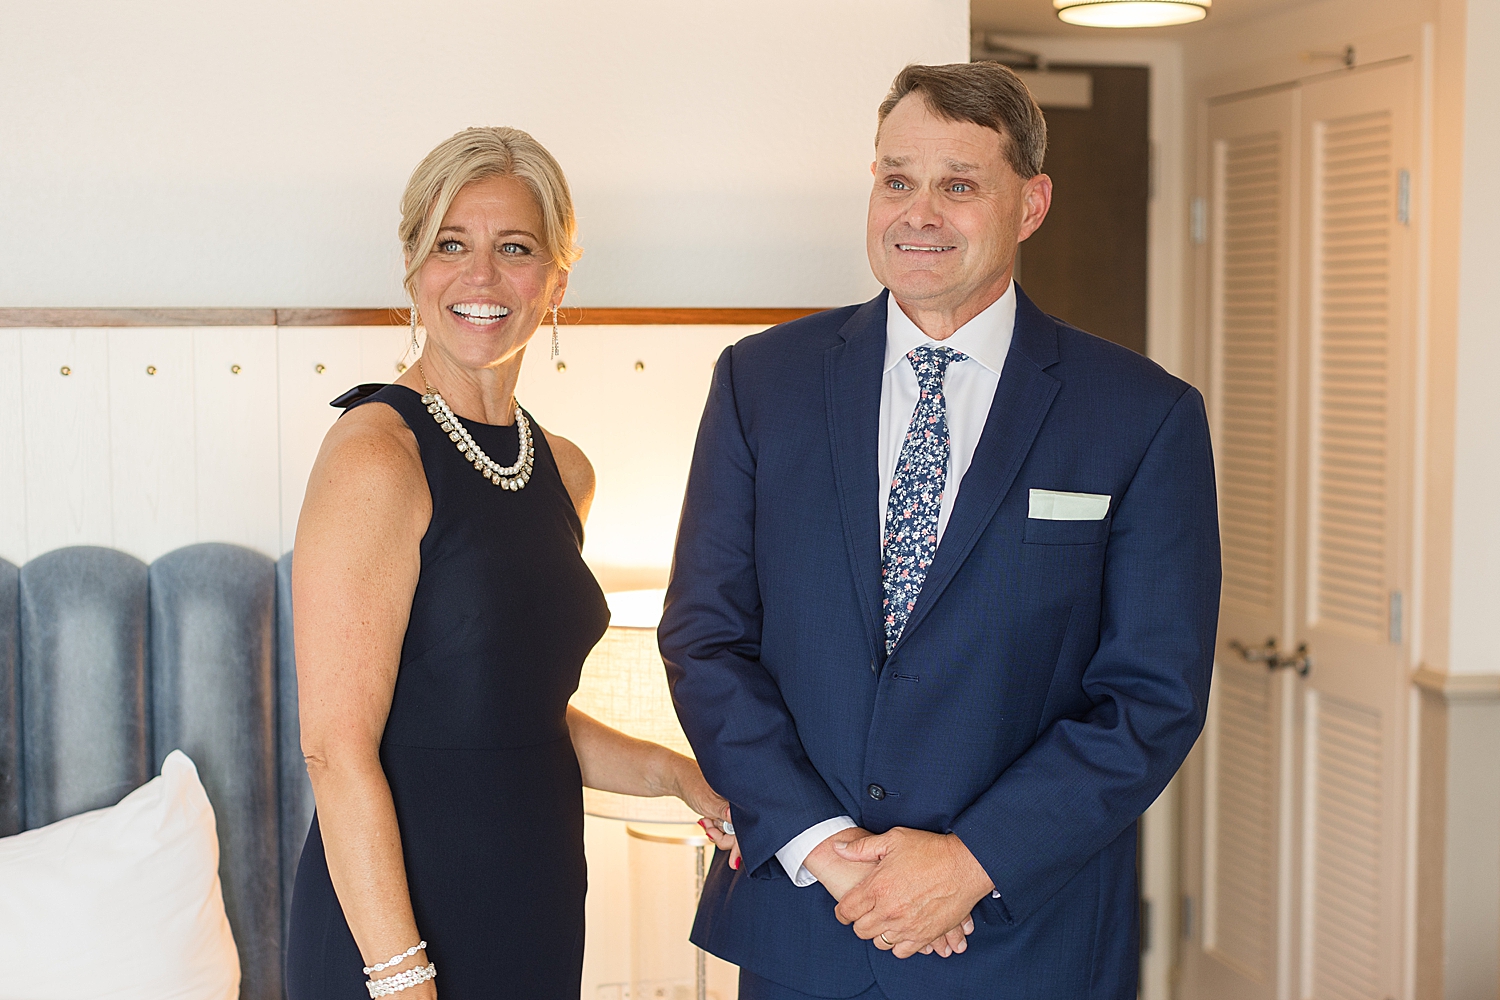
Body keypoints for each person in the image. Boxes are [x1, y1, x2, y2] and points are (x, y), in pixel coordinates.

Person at [660, 62, 1220, 1000]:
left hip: (1022, 938)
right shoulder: (761, 384)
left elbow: (1152, 697)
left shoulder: (1142, 415)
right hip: (810, 922)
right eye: (897, 180)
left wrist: (971, 862)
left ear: (1030, 205)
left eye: (958, 185)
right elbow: (706, 636)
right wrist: (822, 847)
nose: (918, 214)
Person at [284, 126, 737, 1000]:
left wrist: (677, 774)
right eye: (450, 245)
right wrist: (400, 974)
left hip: (533, 902)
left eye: (515, 248)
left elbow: (514, 717)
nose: (481, 277)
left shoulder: (564, 470)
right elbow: (334, 749)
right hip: (397, 929)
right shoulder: (377, 455)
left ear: (556, 280)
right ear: (415, 270)